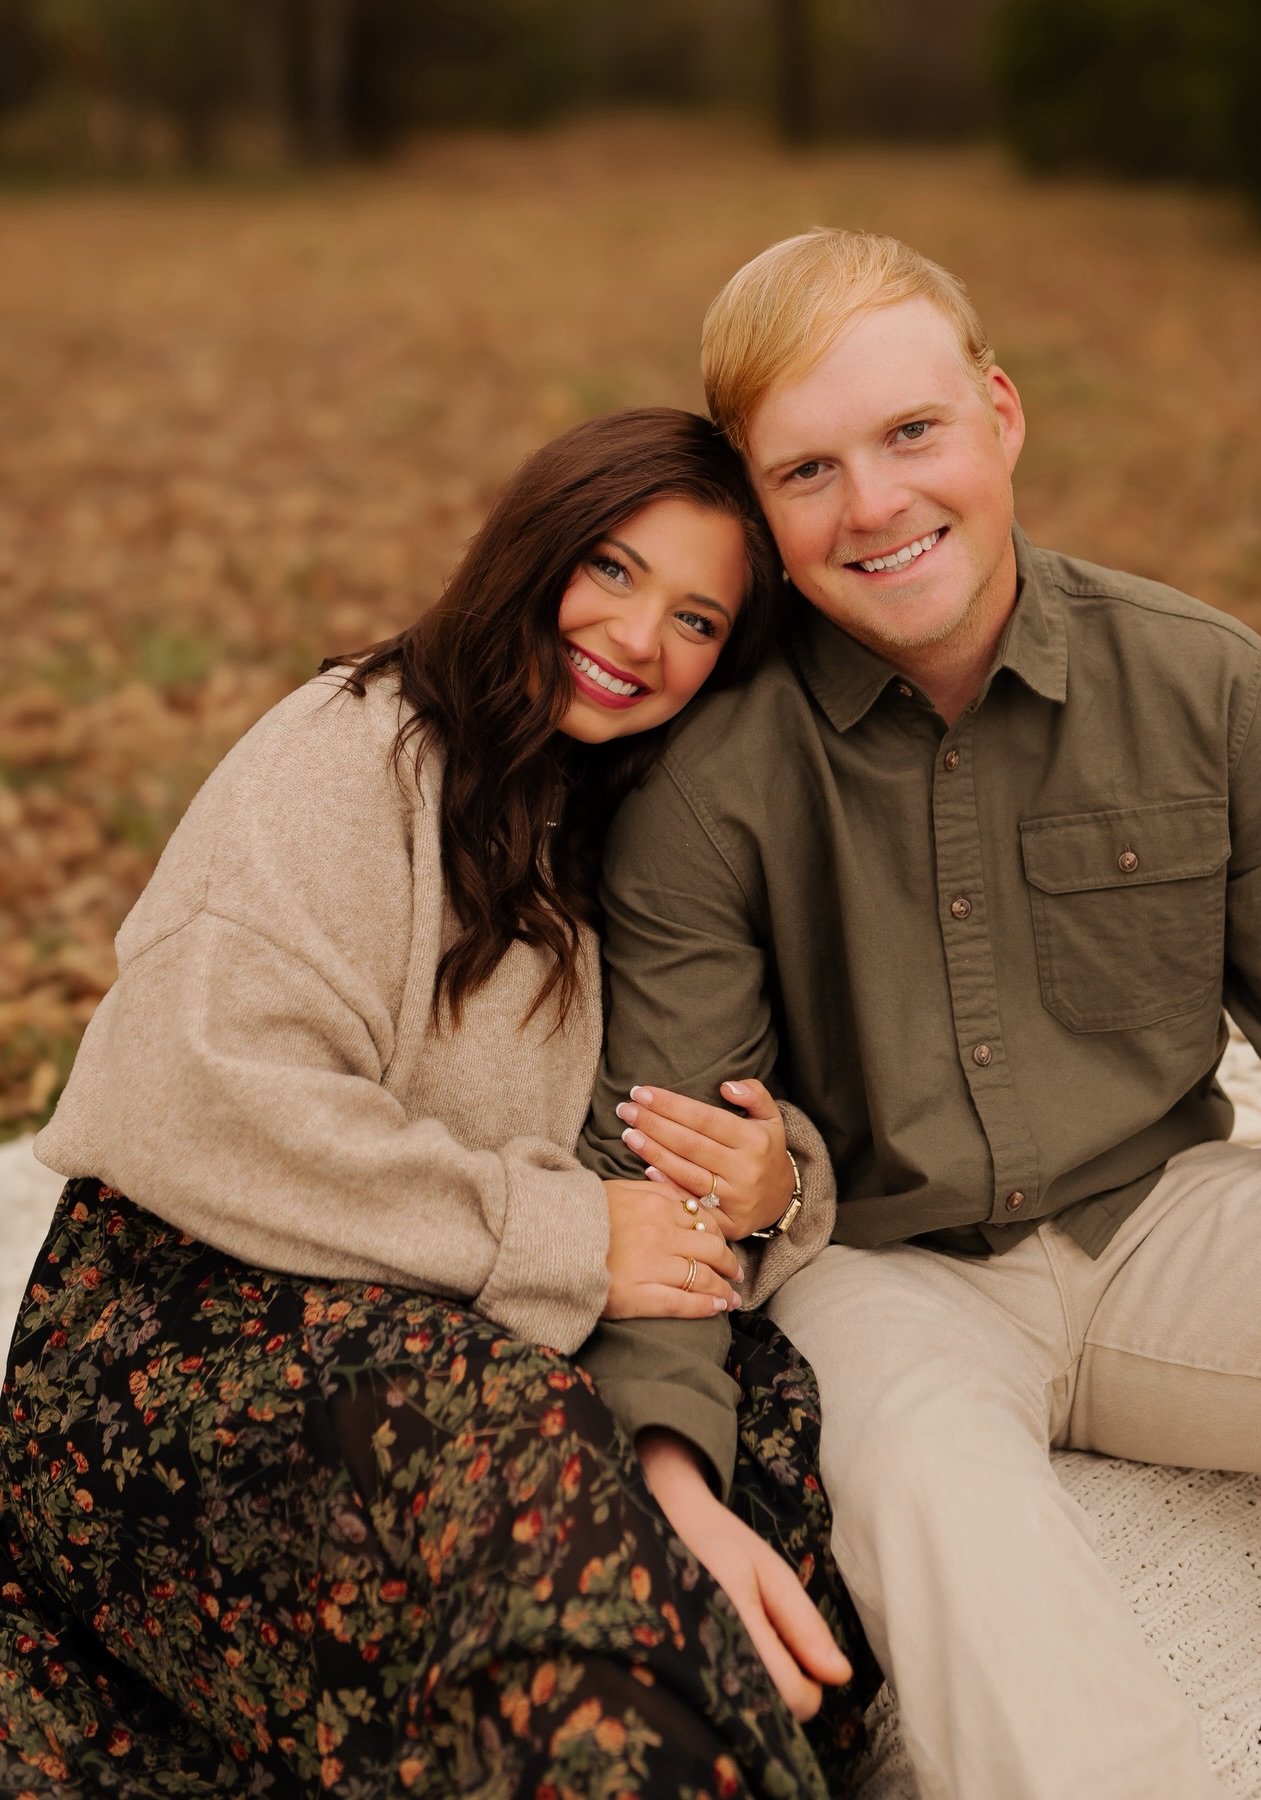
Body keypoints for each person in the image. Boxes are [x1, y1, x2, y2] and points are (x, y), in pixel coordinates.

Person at [579, 232, 1261, 1799]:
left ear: (1001, 415)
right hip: (880, 1275)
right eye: (810, 471)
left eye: (913, 434)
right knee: (934, 1504)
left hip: (1171, 1216)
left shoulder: (1205, 684)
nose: (879, 506)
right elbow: (672, 1180)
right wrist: (671, 1465)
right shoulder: (706, 786)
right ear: (763, 515)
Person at [0, 407, 875, 1798]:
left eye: (700, 620)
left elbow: (667, 1140)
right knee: (511, 1446)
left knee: (766, 1453)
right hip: (175, 1337)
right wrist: (566, 1239)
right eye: (612, 568)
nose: (642, 639)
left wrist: (776, 1182)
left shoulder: (631, 828)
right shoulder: (352, 749)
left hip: (427, 1328)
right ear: (533, 548)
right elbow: (193, 1090)